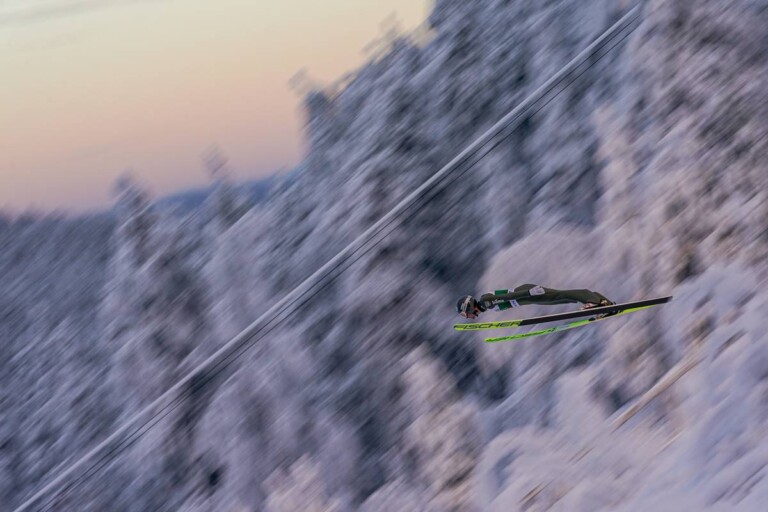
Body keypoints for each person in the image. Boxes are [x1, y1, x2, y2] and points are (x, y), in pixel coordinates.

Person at [456, 284, 614, 319]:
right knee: (563, 297)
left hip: (528, 294)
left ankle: (596, 303)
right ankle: (604, 304)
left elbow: (509, 298)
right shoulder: (485, 304)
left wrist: (529, 292)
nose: (468, 317)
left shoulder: (485, 302)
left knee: (561, 296)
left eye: (465, 314)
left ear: (469, 307)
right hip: (528, 296)